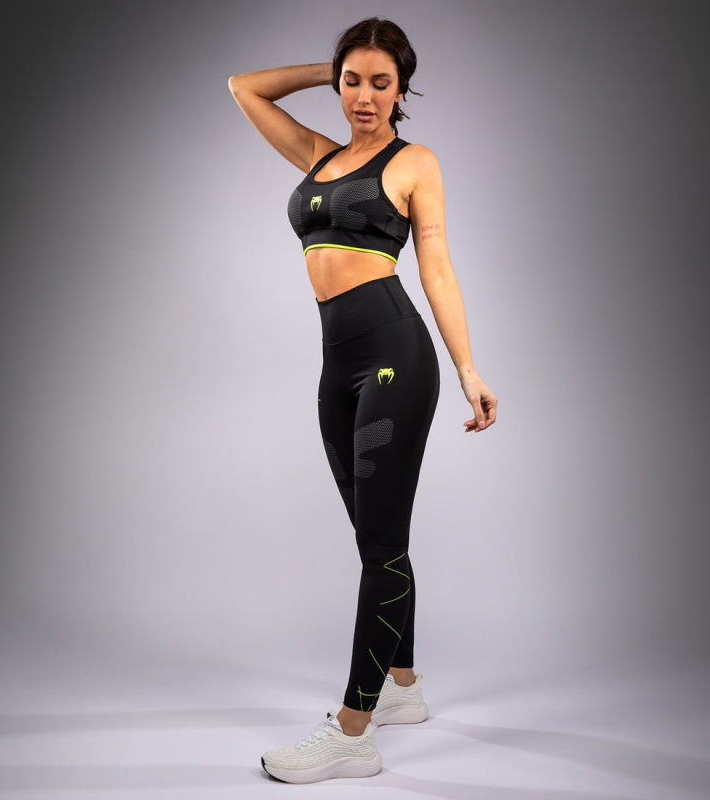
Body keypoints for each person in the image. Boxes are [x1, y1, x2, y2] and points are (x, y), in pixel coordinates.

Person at [229, 16, 497, 784]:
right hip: (335, 366)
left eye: (382, 82)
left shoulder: (414, 163)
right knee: (373, 537)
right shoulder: (318, 154)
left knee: (380, 544)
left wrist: (469, 368)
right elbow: (243, 88)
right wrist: (331, 66)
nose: (365, 96)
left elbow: (437, 265)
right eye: (353, 80)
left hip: (393, 359)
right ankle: (402, 685)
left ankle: (353, 730)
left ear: (402, 89)